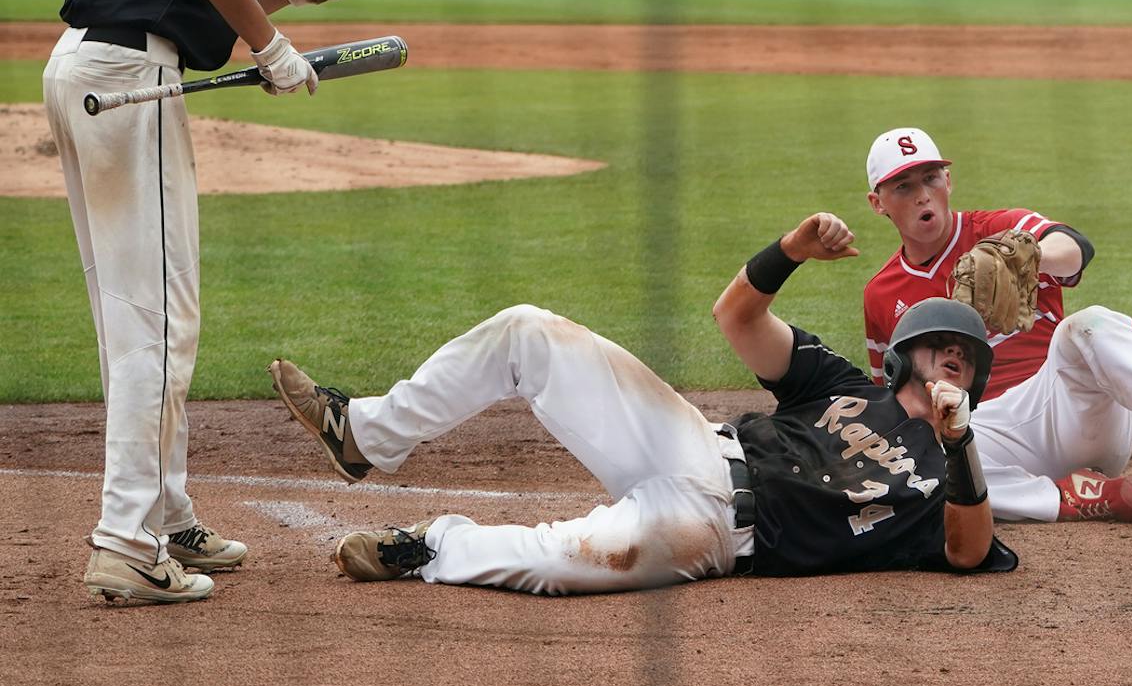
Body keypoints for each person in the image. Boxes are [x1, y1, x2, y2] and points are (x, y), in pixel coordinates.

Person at [266, 212, 1016, 594]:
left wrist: (958, 443)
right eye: (944, 344)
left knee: (567, 562)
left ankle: (432, 547)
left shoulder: (953, 472)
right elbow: (738, 319)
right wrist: (788, 249)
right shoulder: (846, 386)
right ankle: (363, 432)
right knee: (531, 330)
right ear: (905, 354)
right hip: (692, 443)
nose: (957, 356)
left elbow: (969, 552)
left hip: (717, 535)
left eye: (969, 356)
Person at [52, 0, 371, 604]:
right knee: (157, 323)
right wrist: (275, 48)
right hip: (125, 82)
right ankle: (125, 543)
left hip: (90, 69)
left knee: (143, 317)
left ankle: (164, 512)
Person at [860, 127, 1132, 524]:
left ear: (948, 182)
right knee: (920, 447)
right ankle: (1075, 498)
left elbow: (1075, 247)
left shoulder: (999, 231)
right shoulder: (881, 294)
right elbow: (894, 402)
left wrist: (1031, 258)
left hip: (1064, 407)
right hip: (984, 439)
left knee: (1090, 324)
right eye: (904, 186)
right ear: (878, 203)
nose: (923, 195)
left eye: (932, 178)